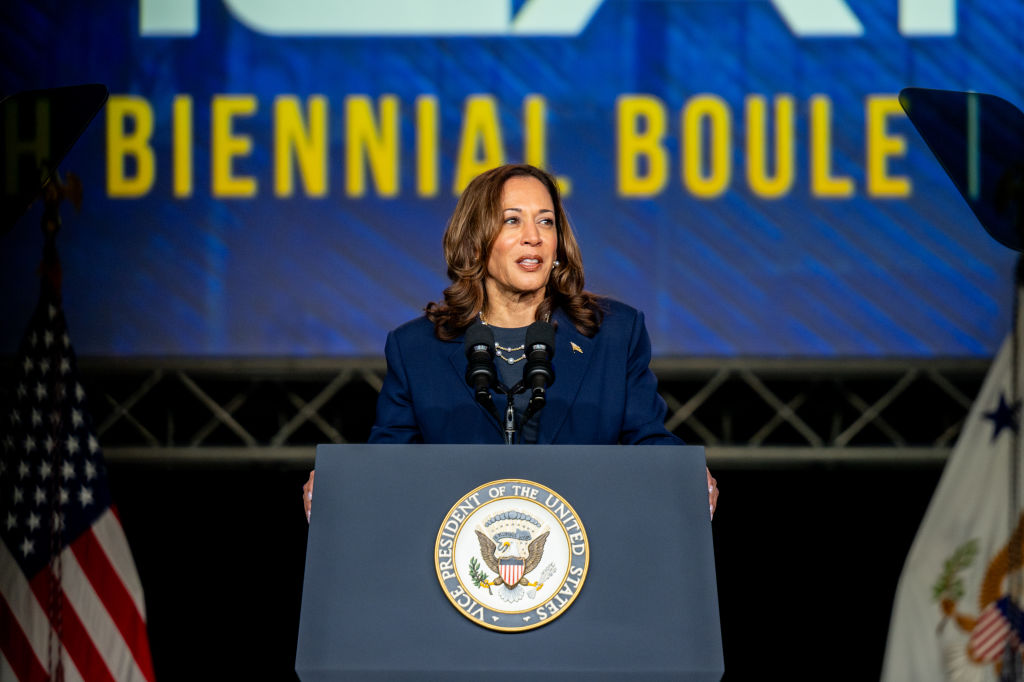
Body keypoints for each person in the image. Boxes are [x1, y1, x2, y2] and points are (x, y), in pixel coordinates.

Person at [303, 163, 718, 520]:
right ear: (475, 239)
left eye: (546, 220)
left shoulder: (614, 333)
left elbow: (647, 438)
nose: (533, 236)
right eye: (512, 220)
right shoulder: (417, 349)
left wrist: (682, 474)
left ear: (558, 244)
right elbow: (388, 465)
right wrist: (343, 487)